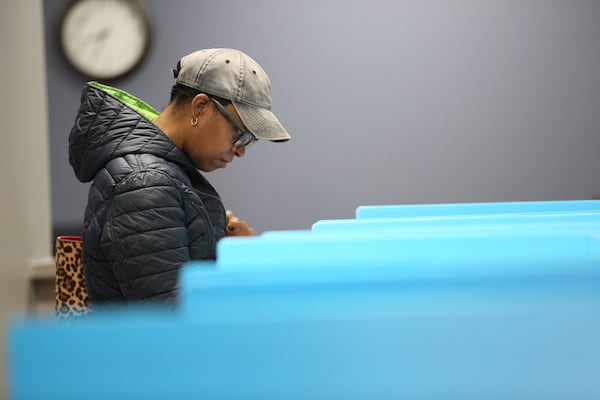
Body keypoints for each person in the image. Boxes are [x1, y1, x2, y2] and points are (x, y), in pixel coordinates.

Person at [68, 48, 291, 306]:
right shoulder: (143, 183)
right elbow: (172, 322)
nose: (240, 151)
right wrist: (242, 262)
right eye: (240, 135)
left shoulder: (161, 175)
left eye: (249, 142)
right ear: (200, 107)